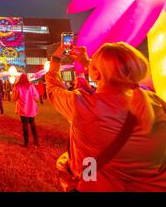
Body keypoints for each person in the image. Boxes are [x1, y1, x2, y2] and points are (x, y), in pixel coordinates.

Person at [47, 43, 166, 192]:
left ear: (96, 74)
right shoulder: (155, 101)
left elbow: (53, 89)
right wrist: (90, 64)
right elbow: (118, 75)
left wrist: (56, 59)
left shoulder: (81, 104)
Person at [14, 74, 40, 147]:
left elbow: (15, 97)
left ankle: (26, 142)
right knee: (32, 123)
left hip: (23, 108)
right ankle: (36, 140)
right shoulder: (30, 85)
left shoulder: (17, 86)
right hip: (31, 107)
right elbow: (36, 96)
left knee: (24, 124)